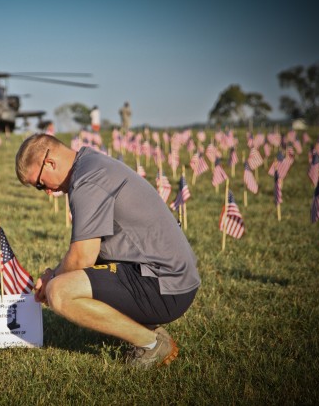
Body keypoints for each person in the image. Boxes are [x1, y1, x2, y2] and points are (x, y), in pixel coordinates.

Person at [15, 134, 200, 369]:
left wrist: (52, 278)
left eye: (40, 184)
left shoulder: (87, 181)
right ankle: (147, 328)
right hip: (170, 277)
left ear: (49, 162)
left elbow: (83, 256)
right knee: (70, 278)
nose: (48, 193)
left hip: (168, 286)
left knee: (59, 292)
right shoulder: (90, 163)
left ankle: (151, 344)